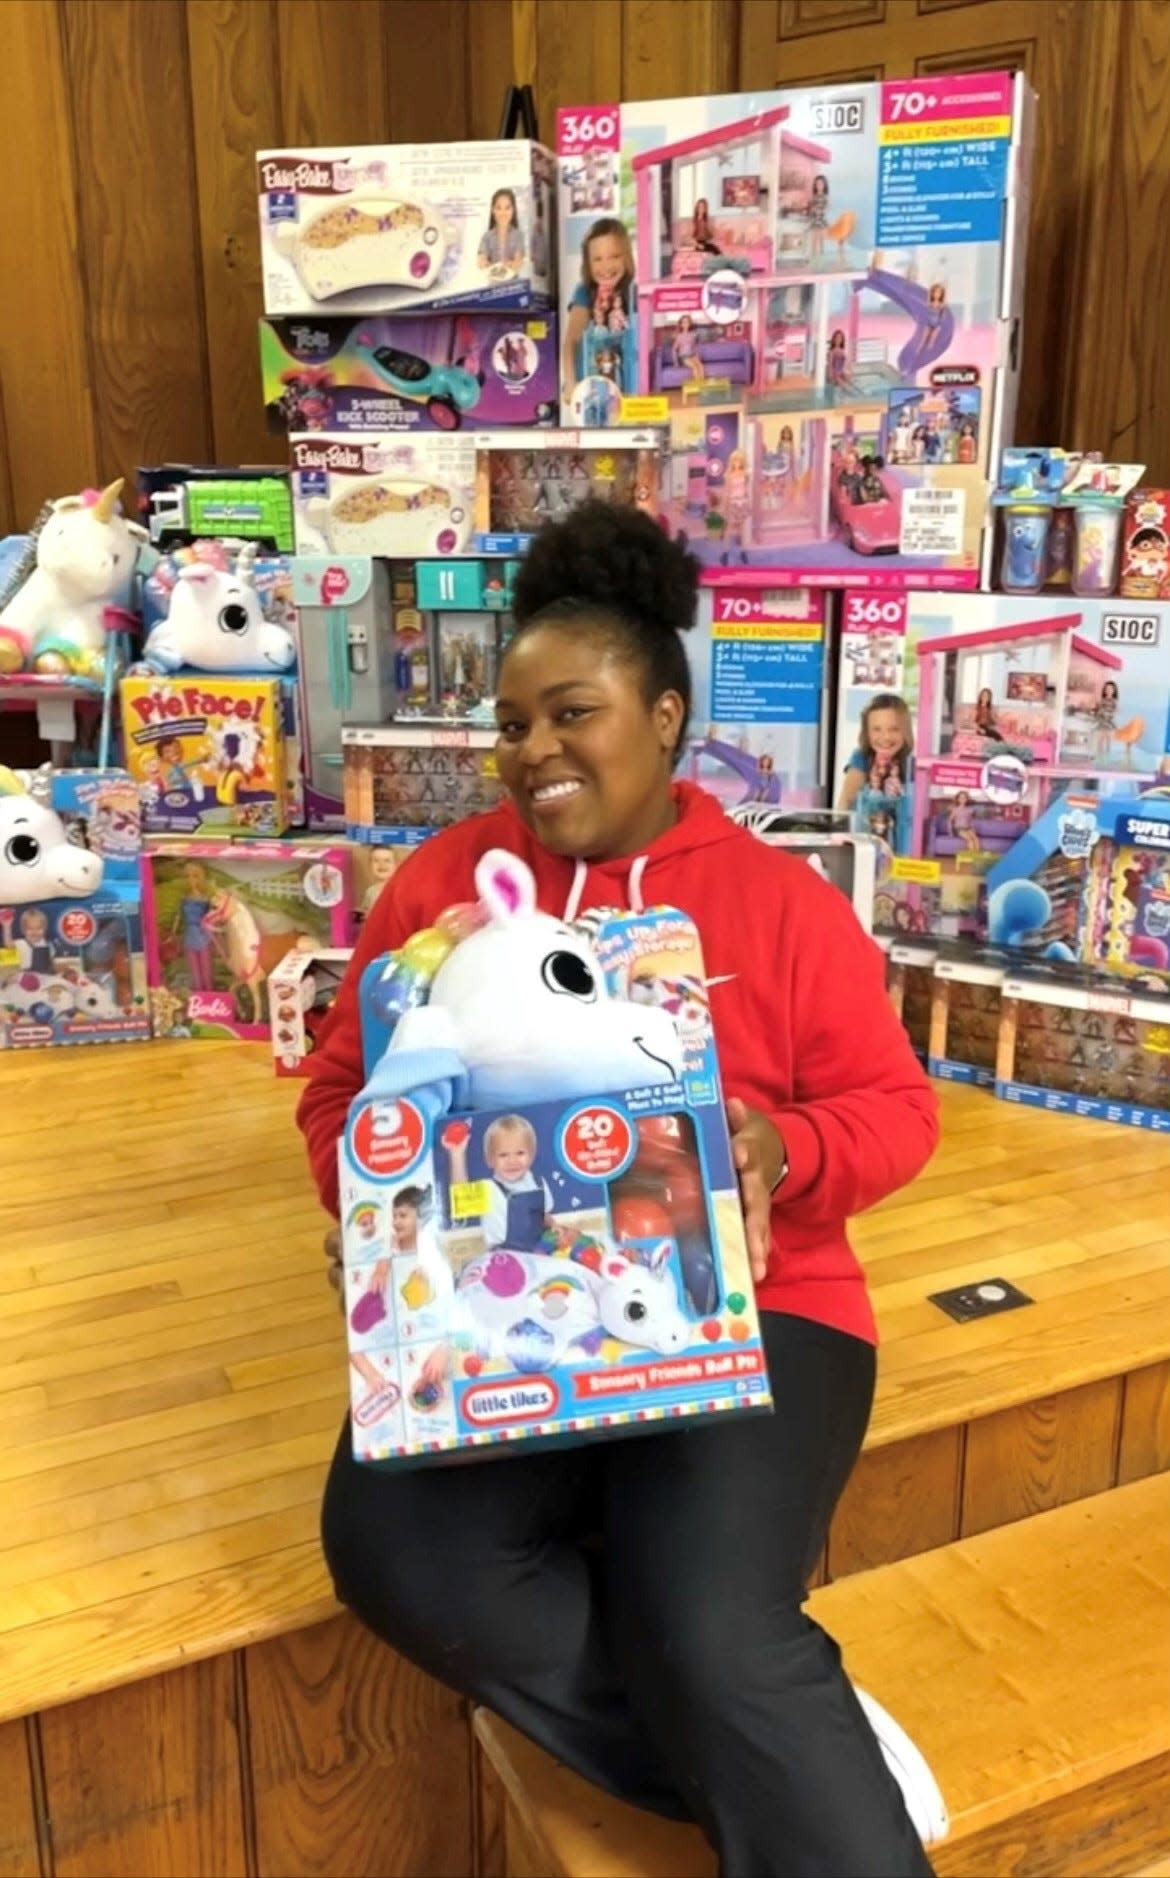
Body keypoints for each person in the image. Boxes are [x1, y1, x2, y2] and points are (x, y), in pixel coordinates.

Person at [299, 502, 939, 1878]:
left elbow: (896, 1112)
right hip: (499, 1319)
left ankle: (754, 1712)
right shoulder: (440, 890)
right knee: (397, 1554)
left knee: (704, 1621)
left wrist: (781, 1148)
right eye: (512, 722)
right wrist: (386, 1191)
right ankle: (783, 1741)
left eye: (571, 712)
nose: (534, 750)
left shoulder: (776, 902)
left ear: (663, 712)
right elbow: (331, 1096)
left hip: (761, 1310)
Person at [562, 218, 636, 403]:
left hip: (625, 386)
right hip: (588, 385)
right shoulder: (584, 292)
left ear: (626, 257)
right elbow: (571, 340)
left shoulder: (632, 291)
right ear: (588, 263)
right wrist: (570, 384)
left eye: (614, 256)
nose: (606, 266)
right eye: (597, 259)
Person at [482, 1114, 556, 1252]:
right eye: (503, 1155)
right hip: (503, 1256)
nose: (512, 1161)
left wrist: (555, 1229)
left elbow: (545, 1217)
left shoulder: (538, 1183)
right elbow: (459, 1193)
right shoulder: (488, 1189)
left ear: (531, 1155)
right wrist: (457, 1154)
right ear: (490, 1160)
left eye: (520, 1153)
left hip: (538, 1251)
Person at [477, 188, 525, 274]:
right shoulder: (487, 237)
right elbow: (481, 257)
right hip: (493, 284)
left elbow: (519, 259)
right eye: (498, 208)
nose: (503, 213)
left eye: (507, 208)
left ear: (513, 210)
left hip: (513, 284)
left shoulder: (519, 236)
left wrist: (514, 264)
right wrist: (483, 262)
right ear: (493, 210)